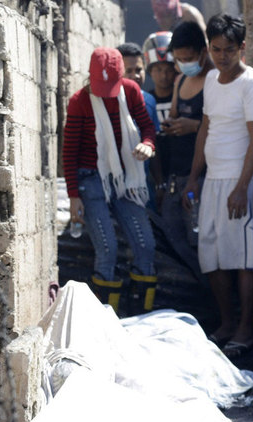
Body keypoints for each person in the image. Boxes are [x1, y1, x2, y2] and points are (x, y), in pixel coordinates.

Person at [182, 13, 253, 358]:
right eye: (215, 49)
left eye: (229, 50)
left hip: (238, 181)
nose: (222, 56)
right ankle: (228, 323)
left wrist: (242, 186)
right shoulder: (212, 82)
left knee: (244, 258)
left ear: (242, 48)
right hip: (212, 179)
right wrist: (193, 177)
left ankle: (246, 329)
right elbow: (205, 128)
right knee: (212, 256)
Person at [63, 47, 158, 315]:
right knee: (107, 248)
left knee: (145, 244)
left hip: (127, 176)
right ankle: (105, 318)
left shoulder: (131, 91)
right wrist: (73, 197)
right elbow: (69, 152)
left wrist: (148, 145)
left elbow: (147, 127)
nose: (106, 93)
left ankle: (141, 314)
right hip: (90, 178)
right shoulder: (79, 101)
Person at [154, 22, 214, 273]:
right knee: (172, 234)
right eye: (178, 60)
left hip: (200, 176)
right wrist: (173, 124)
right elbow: (176, 114)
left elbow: (220, 124)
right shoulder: (180, 81)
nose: (183, 64)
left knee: (199, 241)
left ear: (203, 52)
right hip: (176, 175)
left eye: (188, 58)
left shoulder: (214, 80)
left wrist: (195, 126)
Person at [117, 42, 162, 211]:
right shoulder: (107, 102)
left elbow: (153, 142)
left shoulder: (149, 101)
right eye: (128, 71)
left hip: (143, 185)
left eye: (138, 70)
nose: (135, 76)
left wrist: (159, 184)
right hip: (117, 185)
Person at [143, 31, 177, 193]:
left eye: (168, 70)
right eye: (158, 69)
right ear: (150, 71)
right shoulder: (146, 101)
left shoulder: (183, 97)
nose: (164, 75)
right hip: (155, 176)